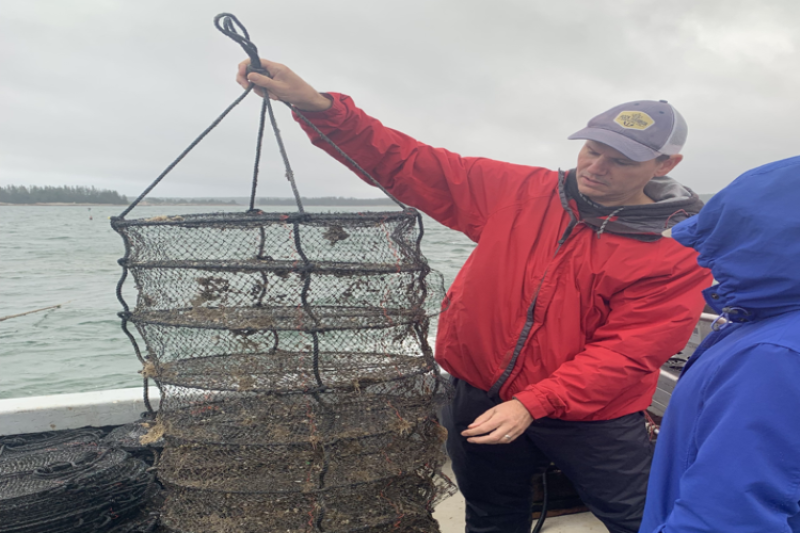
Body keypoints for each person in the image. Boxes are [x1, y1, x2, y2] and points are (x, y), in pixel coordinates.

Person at [237, 59, 712, 533]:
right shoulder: (521, 190)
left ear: (666, 165)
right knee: (490, 514)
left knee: (645, 519)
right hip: (480, 396)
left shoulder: (676, 251)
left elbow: (626, 354)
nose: (596, 168)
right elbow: (407, 163)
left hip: (591, 417)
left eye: (621, 161)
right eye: (592, 149)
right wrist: (316, 106)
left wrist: (534, 402)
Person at [639, 155, 800, 532]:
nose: (702, 257)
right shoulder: (764, 319)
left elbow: (726, 517)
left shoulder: (774, 357)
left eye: (721, 242)